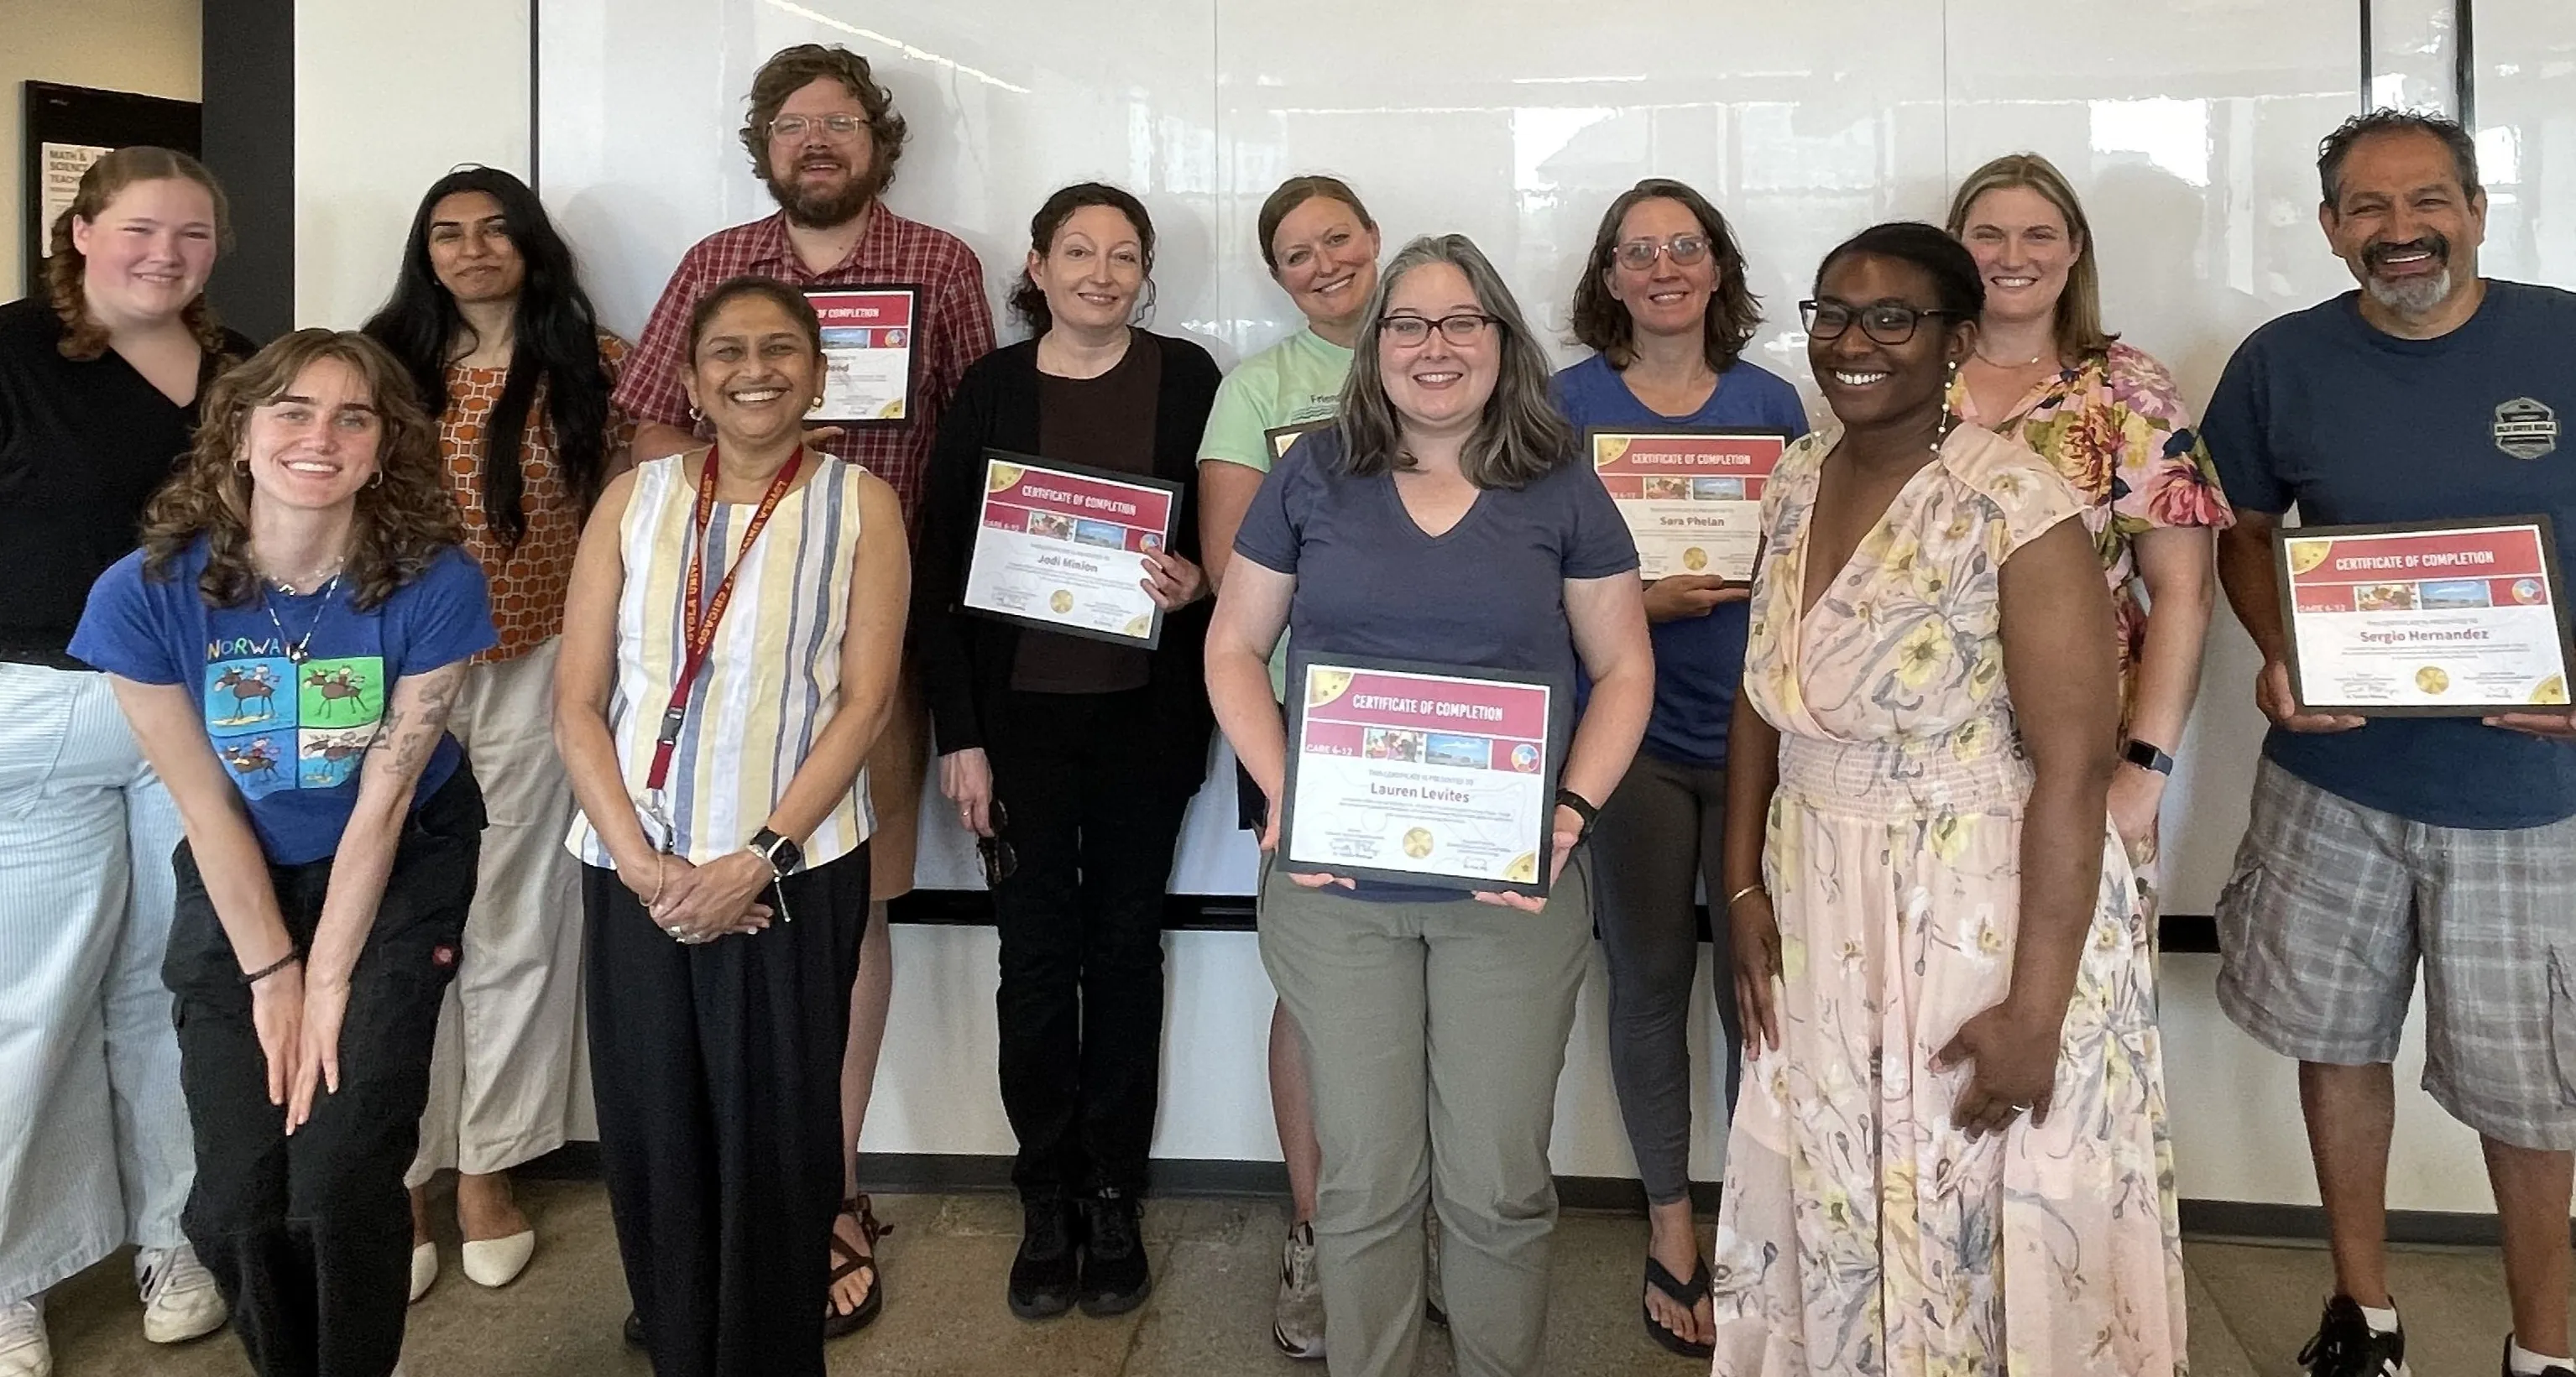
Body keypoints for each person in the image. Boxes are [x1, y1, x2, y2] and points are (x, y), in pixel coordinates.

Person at [1706, 222, 2184, 1374]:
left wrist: (2035, 1010)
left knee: (1976, 1195)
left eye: (1893, 318)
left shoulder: (2014, 504)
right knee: (1838, 1178)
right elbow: (1761, 694)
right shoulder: (1791, 476)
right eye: (1832, 313)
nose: (1854, 342)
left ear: (1957, 339)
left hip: (1977, 902)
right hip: (1822, 890)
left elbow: (2071, 770)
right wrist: (1738, 885)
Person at [1206, 232, 1655, 1377]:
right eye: (1408, 323)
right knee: (1363, 1180)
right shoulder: (1315, 470)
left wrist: (1571, 815)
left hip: (1510, 890)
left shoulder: (1561, 480)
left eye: (1463, 322)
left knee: (1497, 1182)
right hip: (1334, 887)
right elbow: (1233, 645)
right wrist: (1285, 785)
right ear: (1376, 347)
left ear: (1502, 341)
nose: (1434, 346)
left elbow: (1624, 667)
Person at [612, 44, 995, 1332]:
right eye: (793, 124)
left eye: (840, 121)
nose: (816, 141)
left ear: (880, 141)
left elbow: (978, 435)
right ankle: (705, 1208)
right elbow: (650, 425)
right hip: (700, 647)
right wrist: (763, 453)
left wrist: (841, 494)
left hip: (866, 636)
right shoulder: (712, 267)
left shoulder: (940, 263)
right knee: (683, 926)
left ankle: (823, 1189)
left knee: (849, 907)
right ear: (763, 144)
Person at [2203, 110, 2576, 1377]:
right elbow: (2241, 527)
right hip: (2334, 782)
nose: (2399, 231)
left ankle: (2544, 1346)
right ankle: (2363, 1315)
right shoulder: (2278, 361)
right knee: (2339, 1041)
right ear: (2329, 229)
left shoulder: (2568, 337)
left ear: (2476, 210)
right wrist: (2279, 650)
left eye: (2426, 202)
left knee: (2533, 1093)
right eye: (2367, 209)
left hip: (2527, 790)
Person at [67, 328, 498, 1377]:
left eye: (354, 417)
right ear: (241, 435)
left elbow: (384, 806)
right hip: (241, 868)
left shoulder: (433, 583)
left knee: (342, 1177)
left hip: (395, 862)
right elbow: (205, 806)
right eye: (293, 411)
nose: (322, 436)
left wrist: (333, 978)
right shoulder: (144, 593)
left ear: (385, 447)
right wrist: (274, 975)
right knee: (235, 1208)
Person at [559, 276, 907, 1377]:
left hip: (793, 865)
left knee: (777, 1130)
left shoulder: (861, 503)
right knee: (656, 1127)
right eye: (725, 352)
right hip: (634, 864)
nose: (752, 368)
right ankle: (678, 1340)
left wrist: (757, 856)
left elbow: (866, 701)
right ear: (694, 380)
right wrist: (642, 865)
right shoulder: (635, 499)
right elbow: (574, 701)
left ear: (815, 371)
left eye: (778, 350)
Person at [914, 182, 1219, 1322]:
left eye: (1123, 253)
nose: (1101, 271)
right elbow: (944, 573)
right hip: (1021, 731)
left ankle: (1113, 1192)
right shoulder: (990, 386)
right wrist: (964, 738)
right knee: (1035, 964)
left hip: (1145, 721)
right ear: (1035, 267)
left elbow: (1227, 542)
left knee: (1126, 956)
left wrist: (1197, 586)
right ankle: (1042, 1195)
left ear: (1146, 271)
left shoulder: (1187, 377)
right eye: (1077, 251)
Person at [0, 145, 252, 1375]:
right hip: (39, 710)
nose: (166, 254)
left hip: (201, 718)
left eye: (194, 235)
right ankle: (12, 1275)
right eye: (142, 229)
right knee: (29, 1005)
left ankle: (177, 1239)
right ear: (82, 232)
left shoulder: (245, 369)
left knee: (176, 990)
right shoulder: (5, 355)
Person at [363, 164, 634, 1301]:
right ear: (424, 253)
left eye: (493, 232)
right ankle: (402, 1171)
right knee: (395, 920)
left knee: (516, 917)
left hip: (538, 664)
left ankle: (490, 1166)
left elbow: (628, 521)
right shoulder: (376, 364)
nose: (472, 251)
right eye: (447, 234)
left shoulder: (595, 367)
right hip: (391, 669)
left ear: (530, 246)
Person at [1550, 176, 1808, 1360]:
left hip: (1760, 740)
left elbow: (1813, 574)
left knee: (1751, 994)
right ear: (1607, 276)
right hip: (1633, 743)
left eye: (1685, 247)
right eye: (1637, 250)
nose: (1663, 268)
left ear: (1718, 267)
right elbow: (1524, 575)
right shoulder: (1561, 408)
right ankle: (1671, 1223)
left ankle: (1757, 1217)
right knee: (1648, 983)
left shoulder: (1775, 403)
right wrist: (1629, 605)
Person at [1194, 172, 1386, 1361]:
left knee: (1439, 986)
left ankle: (1403, 1224)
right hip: (1302, 731)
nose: (1323, 264)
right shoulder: (1254, 391)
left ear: (1375, 241)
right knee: (1316, 988)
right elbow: (1231, 573)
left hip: (1454, 735)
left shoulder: (1460, 351)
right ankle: (1320, 1234)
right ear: (1276, 277)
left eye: (1338, 240)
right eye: (1296, 254)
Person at [1943, 153, 2232, 911]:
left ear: (2074, 249)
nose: (2012, 257)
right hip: (1920, 748)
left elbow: (2185, 593)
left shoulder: (2126, 389)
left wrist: (2144, 771)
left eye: (2038, 234)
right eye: (1987, 235)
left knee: (2078, 987)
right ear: (1952, 247)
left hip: (2084, 749)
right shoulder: (1908, 376)